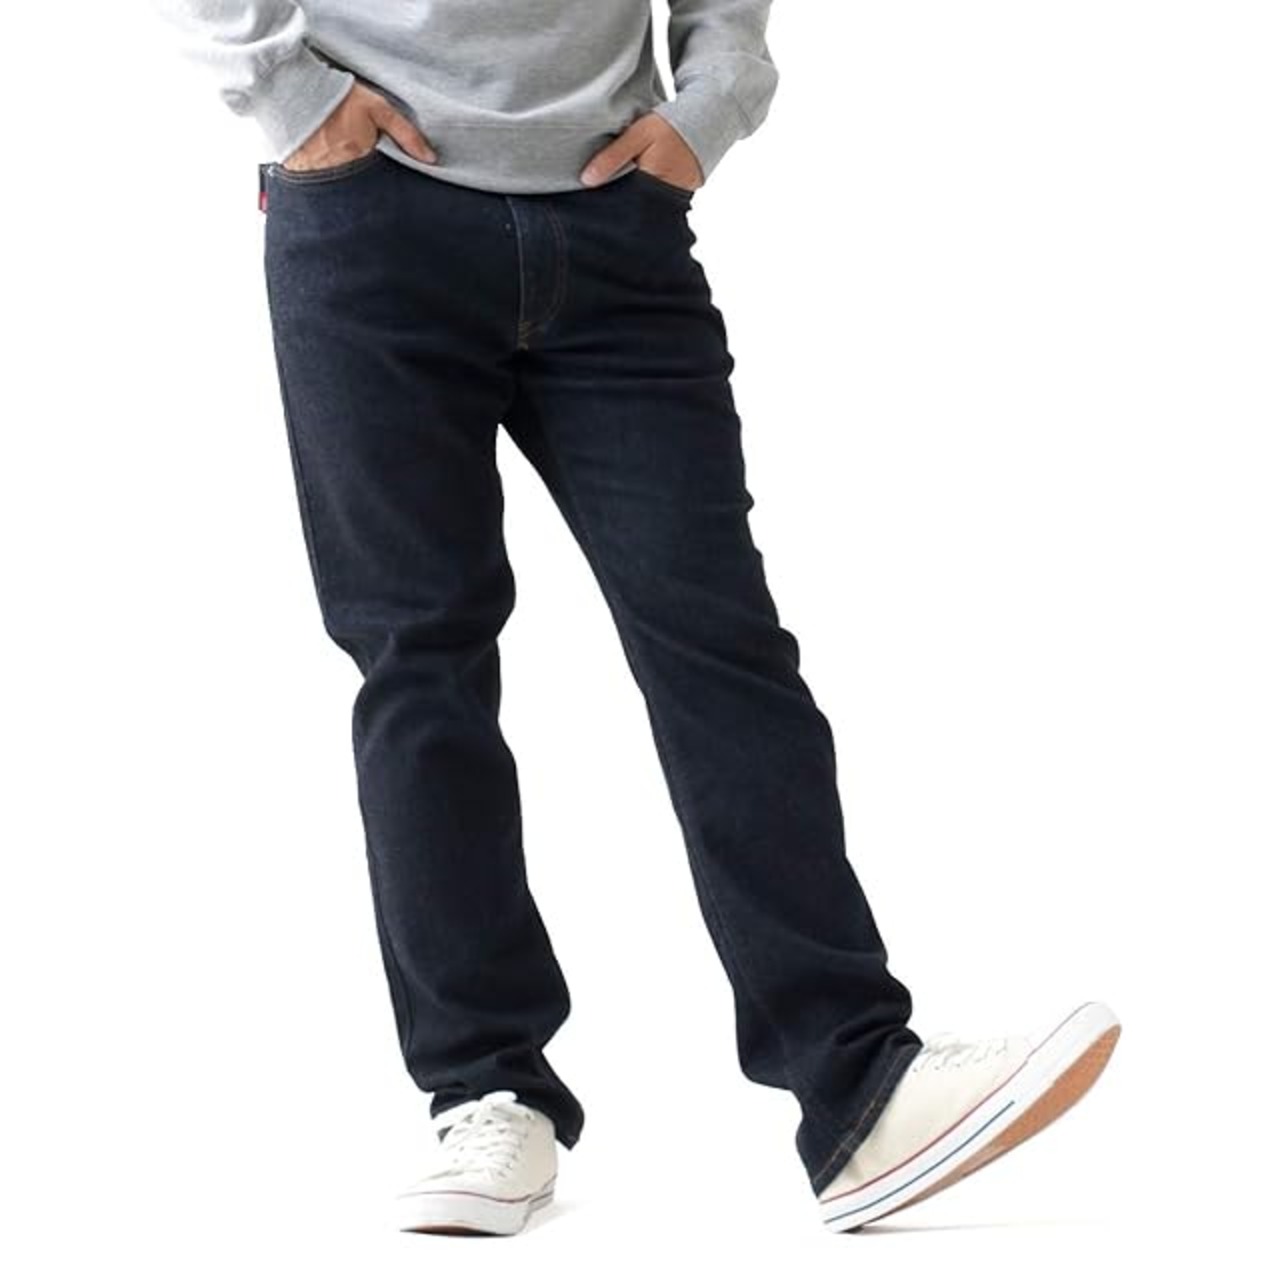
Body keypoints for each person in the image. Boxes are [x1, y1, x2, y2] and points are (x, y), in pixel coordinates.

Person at [159, 0, 1122, 1236]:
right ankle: (487, 1087)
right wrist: (290, 94)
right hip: (369, 222)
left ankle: (855, 1083)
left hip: (614, 224)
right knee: (420, 661)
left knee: (720, 645)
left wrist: (711, 103)